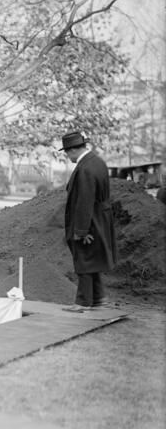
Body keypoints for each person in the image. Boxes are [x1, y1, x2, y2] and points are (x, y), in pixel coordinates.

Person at [60, 131, 117, 313]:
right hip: (100, 218)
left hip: (90, 221)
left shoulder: (85, 168)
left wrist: (81, 231)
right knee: (93, 260)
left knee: (84, 259)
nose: (67, 157)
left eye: (67, 153)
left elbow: (84, 201)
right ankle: (99, 298)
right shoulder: (97, 162)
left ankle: (83, 302)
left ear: (73, 150)